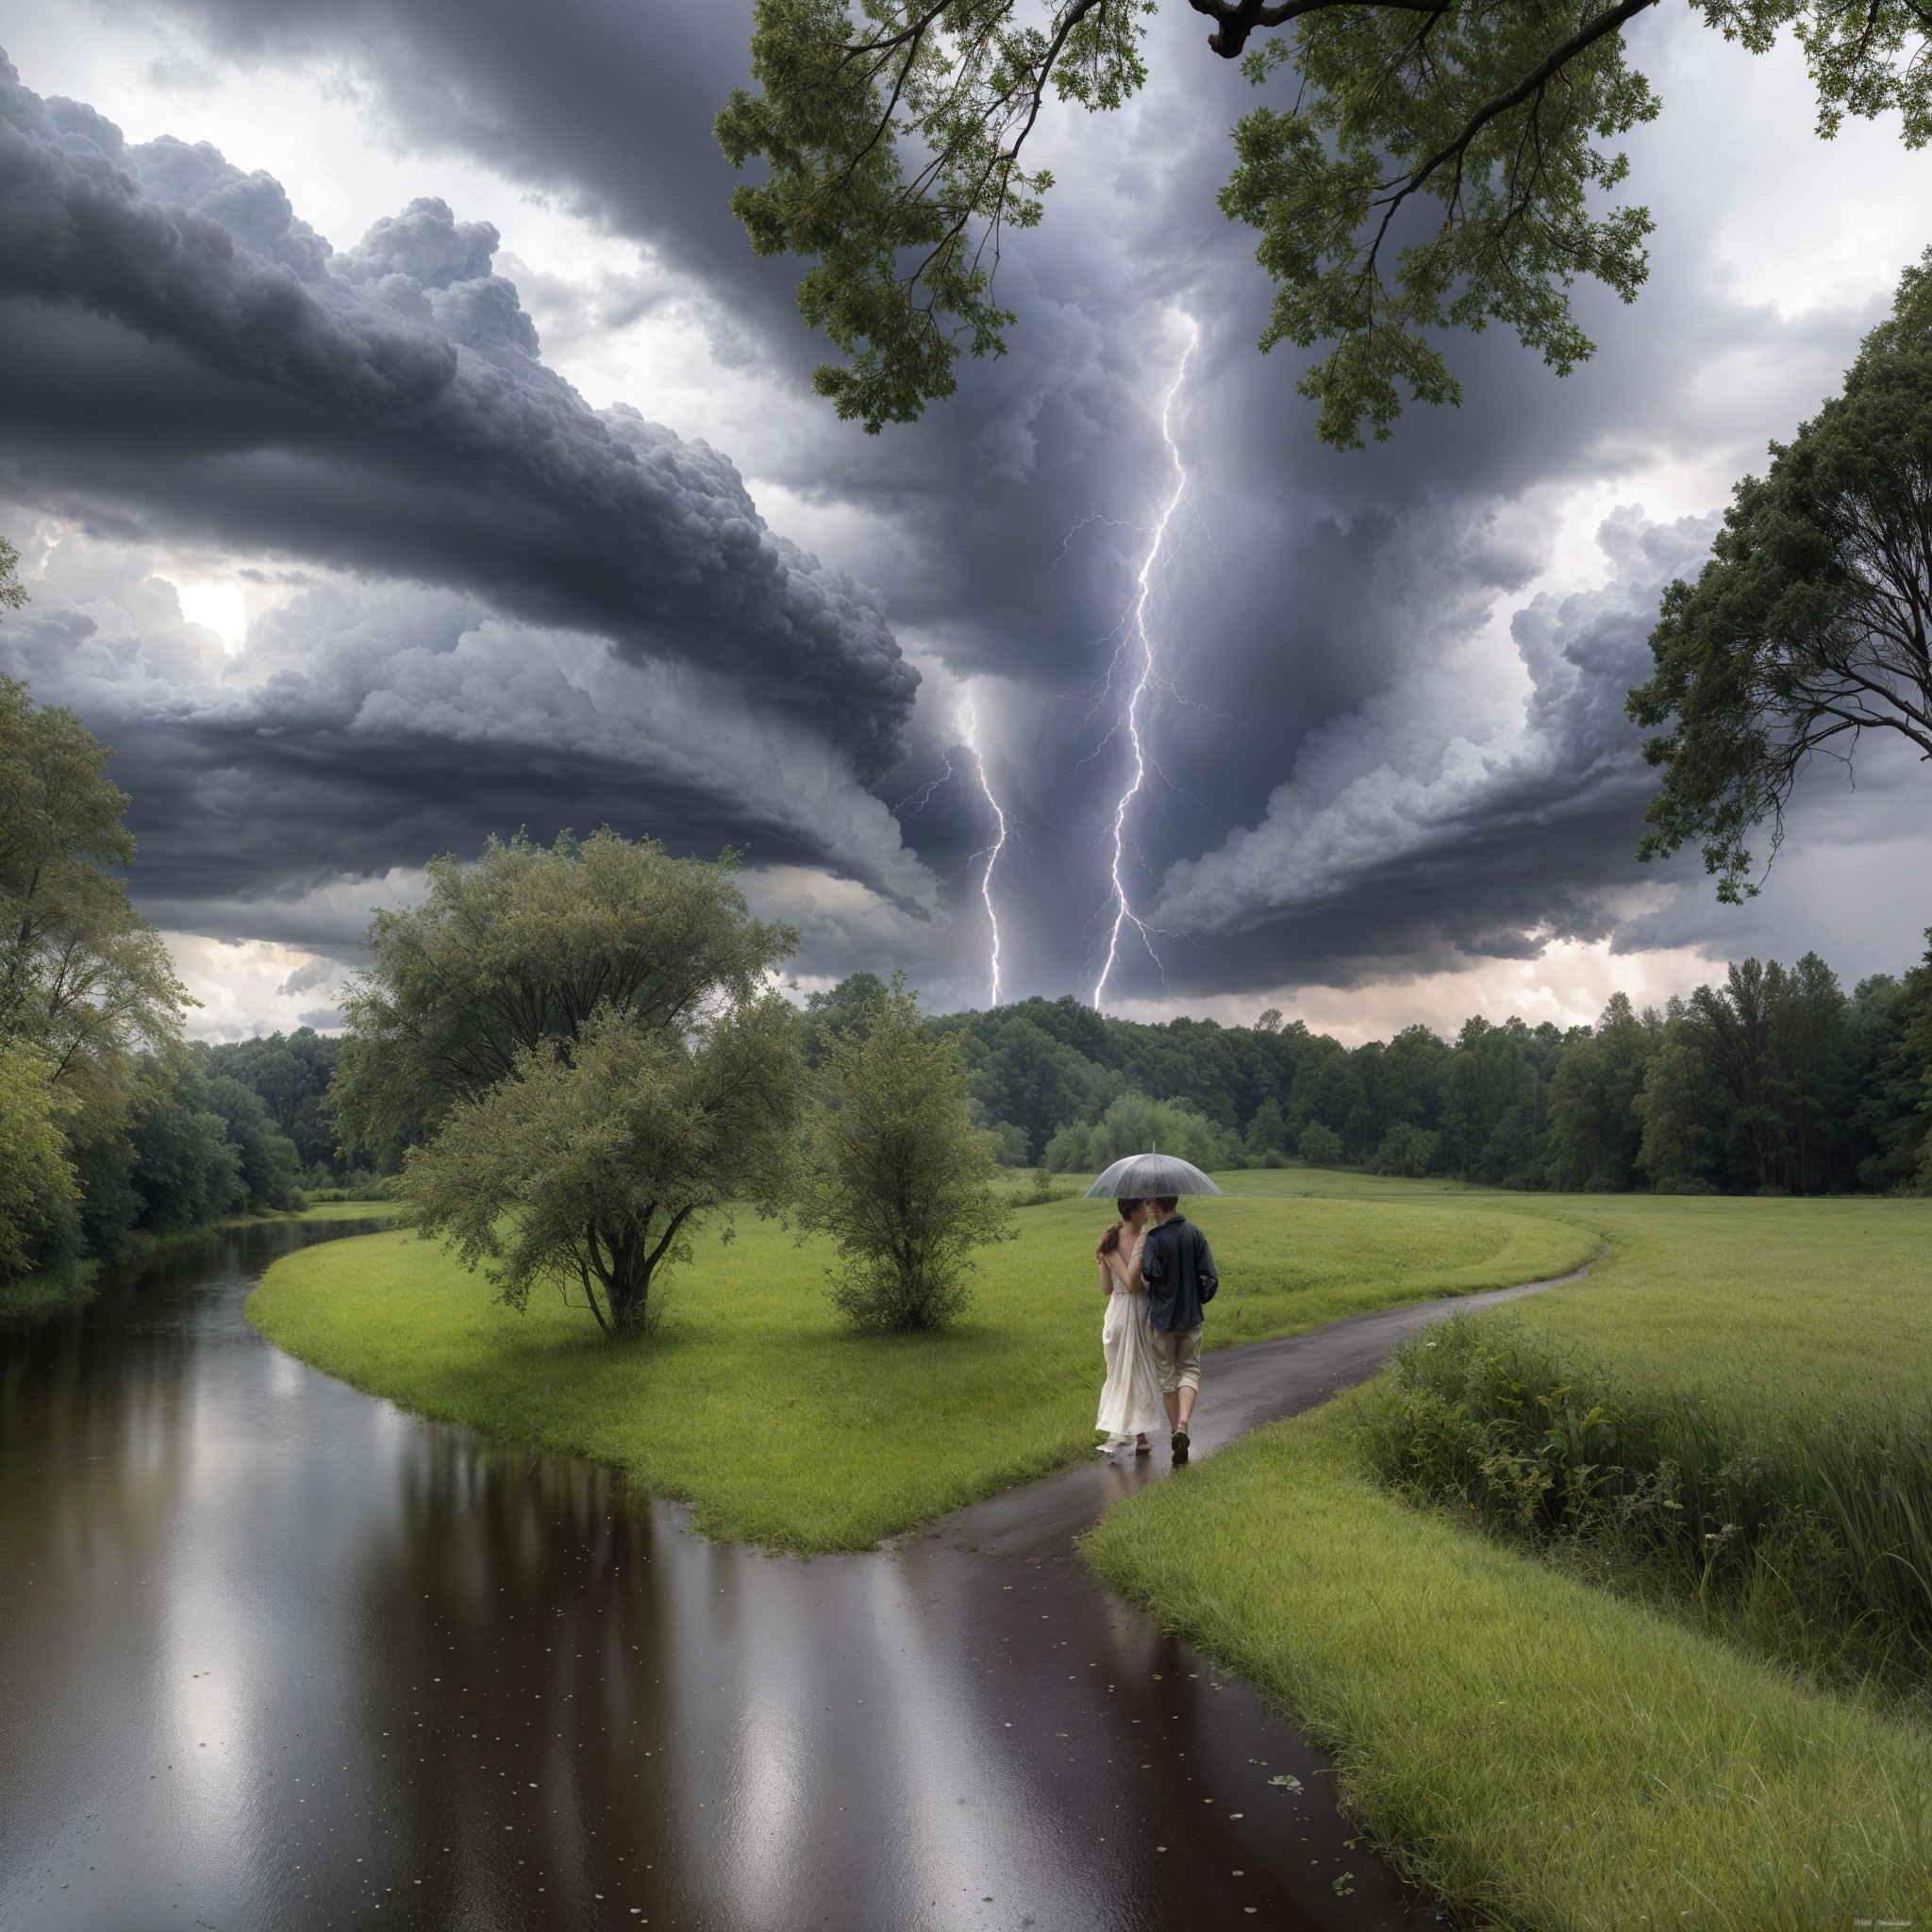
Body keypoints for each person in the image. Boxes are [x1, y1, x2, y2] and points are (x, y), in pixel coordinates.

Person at [1124, 1194, 1217, 1465]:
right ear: (1175, 1201)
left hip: (1162, 1320)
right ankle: (1184, 1426)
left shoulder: (1154, 1238)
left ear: (1157, 1205)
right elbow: (1211, 1277)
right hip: (1190, 1317)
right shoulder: (1195, 1233)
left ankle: (1174, 1430)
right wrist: (1196, 1299)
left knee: (1167, 1379)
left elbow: (1151, 1272)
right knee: (1189, 1370)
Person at [1092, 1199, 1163, 1454]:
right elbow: (1132, 1285)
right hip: (1134, 1310)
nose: (1146, 1211)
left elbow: (1106, 1290)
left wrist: (1107, 1257)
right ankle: (1136, 1435)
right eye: (1143, 1207)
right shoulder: (1143, 1239)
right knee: (1131, 1372)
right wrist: (1106, 1258)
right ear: (1133, 1212)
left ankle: (1137, 1435)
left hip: (1117, 1311)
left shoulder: (1111, 1241)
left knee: (1126, 1373)